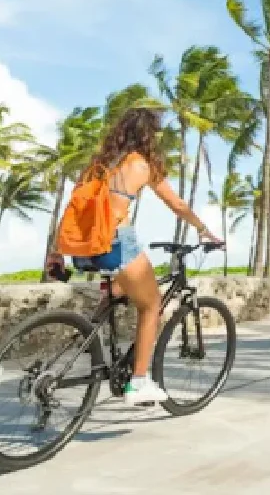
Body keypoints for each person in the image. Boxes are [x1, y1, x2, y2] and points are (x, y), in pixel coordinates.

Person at [68, 108, 222, 407]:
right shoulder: (142, 164)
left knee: (123, 286)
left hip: (83, 244)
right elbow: (176, 203)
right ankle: (138, 382)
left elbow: (73, 207)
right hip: (115, 241)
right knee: (152, 305)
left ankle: (91, 330)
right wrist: (204, 230)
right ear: (149, 135)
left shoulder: (98, 165)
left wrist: (56, 253)